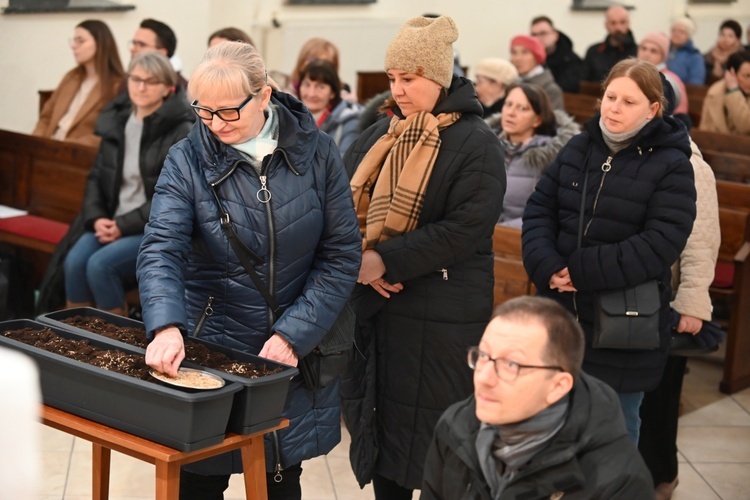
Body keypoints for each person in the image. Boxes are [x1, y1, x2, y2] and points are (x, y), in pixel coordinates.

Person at [136, 41, 361, 499]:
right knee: (200, 477)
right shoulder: (187, 158)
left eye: (228, 112)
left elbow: (340, 254)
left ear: (263, 96)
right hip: (210, 343)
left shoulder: (317, 152)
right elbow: (162, 247)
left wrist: (293, 334)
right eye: (204, 112)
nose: (216, 125)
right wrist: (166, 326)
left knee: (278, 475)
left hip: (289, 349)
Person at [340, 15, 506, 499]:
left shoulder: (477, 143)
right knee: (385, 432)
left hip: (442, 313)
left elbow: (464, 229)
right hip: (380, 307)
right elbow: (339, 207)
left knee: (438, 447)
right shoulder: (381, 134)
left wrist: (384, 261)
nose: (398, 90)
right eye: (392, 79)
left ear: (437, 77)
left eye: (408, 79)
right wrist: (361, 263)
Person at [521, 58, 697, 444]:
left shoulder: (672, 164)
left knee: (613, 429)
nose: (614, 107)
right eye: (610, 96)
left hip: (623, 322)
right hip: (561, 310)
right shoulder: (580, 146)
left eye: (628, 102)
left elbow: (661, 243)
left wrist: (581, 271)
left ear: (653, 109)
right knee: (553, 422)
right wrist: (547, 264)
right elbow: (540, 209)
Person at [421, 296, 654, 499]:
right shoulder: (454, 427)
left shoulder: (619, 483)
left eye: (511, 365)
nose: (484, 378)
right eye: (483, 356)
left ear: (557, 386)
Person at [62, 52, 194, 315]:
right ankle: (73, 335)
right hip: (111, 221)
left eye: (150, 81)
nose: (141, 87)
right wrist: (97, 217)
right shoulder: (119, 121)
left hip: (153, 226)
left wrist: (122, 226)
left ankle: (111, 339)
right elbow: (97, 177)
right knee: (74, 262)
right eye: (135, 79)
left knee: (101, 266)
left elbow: (173, 195)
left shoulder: (181, 129)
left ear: (168, 88)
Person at [638, 96, 721, 498]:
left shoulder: (691, 162)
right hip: (627, 296)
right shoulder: (623, 150)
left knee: (659, 401)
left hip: (666, 302)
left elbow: (701, 239)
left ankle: (661, 478)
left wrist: (691, 303)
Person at [486, 83, 579, 228]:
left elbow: (549, 212)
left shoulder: (549, 157)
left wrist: (502, 231)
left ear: (537, 120)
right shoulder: (483, 144)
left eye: (522, 108)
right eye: (508, 104)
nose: (511, 112)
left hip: (518, 236)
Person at [32, 20, 124, 147]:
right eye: (74, 40)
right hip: (48, 147)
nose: (74, 46)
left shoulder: (116, 85)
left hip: (77, 155)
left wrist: (65, 147)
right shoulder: (71, 77)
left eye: (80, 41)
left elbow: (107, 134)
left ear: (100, 43)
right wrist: (34, 143)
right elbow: (46, 117)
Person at [298, 59, 363, 156]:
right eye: (306, 85)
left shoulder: (350, 122)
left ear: (332, 93)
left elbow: (344, 164)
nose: (311, 94)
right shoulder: (290, 118)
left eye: (320, 87)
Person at [638, 31, 691, 128]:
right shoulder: (631, 75)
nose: (646, 54)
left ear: (663, 56)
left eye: (653, 51)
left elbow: (680, 116)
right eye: (643, 48)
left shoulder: (671, 80)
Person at [123, 19, 187, 92]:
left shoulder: (182, 91)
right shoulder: (125, 83)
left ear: (162, 53)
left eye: (141, 45)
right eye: (134, 43)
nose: (133, 49)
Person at [530, 15, 586, 93]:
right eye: (534, 35)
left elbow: (564, 90)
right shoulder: (529, 59)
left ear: (555, 35)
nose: (538, 38)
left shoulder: (571, 61)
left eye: (543, 33)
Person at [583, 4, 638, 83]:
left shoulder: (637, 52)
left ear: (628, 23)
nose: (618, 27)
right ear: (606, 25)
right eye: (613, 23)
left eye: (622, 22)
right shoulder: (594, 52)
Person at [700, 50, 750, 135]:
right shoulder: (715, 92)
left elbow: (745, 125)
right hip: (714, 145)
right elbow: (705, 128)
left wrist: (733, 91)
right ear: (731, 74)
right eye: (747, 76)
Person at [509, 35, 564, 111]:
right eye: (514, 52)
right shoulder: (510, 83)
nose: (518, 58)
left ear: (537, 56)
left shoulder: (551, 90)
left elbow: (554, 120)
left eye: (525, 52)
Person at [667, 16, 706, 86]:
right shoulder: (664, 50)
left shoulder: (694, 56)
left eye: (681, 32)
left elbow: (696, 83)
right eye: (674, 30)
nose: (676, 34)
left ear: (688, 35)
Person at [704, 20, 744, 85]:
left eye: (730, 36)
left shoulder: (741, 59)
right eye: (722, 35)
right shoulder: (709, 57)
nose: (725, 39)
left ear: (737, 40)